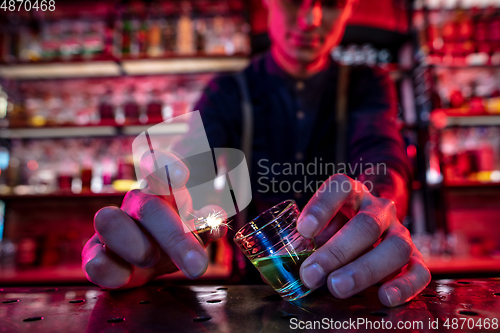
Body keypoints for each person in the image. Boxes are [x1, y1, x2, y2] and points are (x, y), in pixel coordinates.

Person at [82, 0, 431, 307]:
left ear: (352, 6)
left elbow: (382, 159)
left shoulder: (367, 84)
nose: (311, 18)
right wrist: (162, 219)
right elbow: (191, 174)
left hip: (349, 293)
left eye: (333, 1)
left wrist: (378, 210)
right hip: (254, 297)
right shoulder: (228, 92)